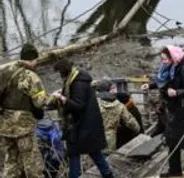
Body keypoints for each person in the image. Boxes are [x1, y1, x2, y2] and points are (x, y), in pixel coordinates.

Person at [142, 47, 184, 177]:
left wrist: (177, 92)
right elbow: (164, 82)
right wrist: (150, 85)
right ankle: (175, 170)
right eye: (162, 59)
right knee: (172, 140)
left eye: (165, 59)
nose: (163, 62)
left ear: (173, 58)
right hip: (175, 109)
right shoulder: (169, 68)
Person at [51, 59, 116, 178]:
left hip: (81, 126)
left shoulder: (78, 83)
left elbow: (78, 105)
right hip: (85, 125)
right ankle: (108, 174)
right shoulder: (75, 80)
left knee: (77, 154)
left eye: (59, 72)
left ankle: (106, 174)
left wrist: (61, 98)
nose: (59, 76)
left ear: (63, 71)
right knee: (93, 152)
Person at [0, 44, 52, 178]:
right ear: (32, 59)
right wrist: (54, 98)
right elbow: (40, 102)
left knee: (11, 160)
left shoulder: (5, 70)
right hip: (23, 126)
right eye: (36, 60)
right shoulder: (30, 76)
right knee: (31, 161)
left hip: (4, 125)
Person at [95, 80, 140, 153]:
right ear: (109, 90)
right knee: (108, 158)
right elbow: (129, 120)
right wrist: (137, 129)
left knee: (97, 158)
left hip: (95, 136)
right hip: (111, 138)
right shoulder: (118, 104)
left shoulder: (94, 102)